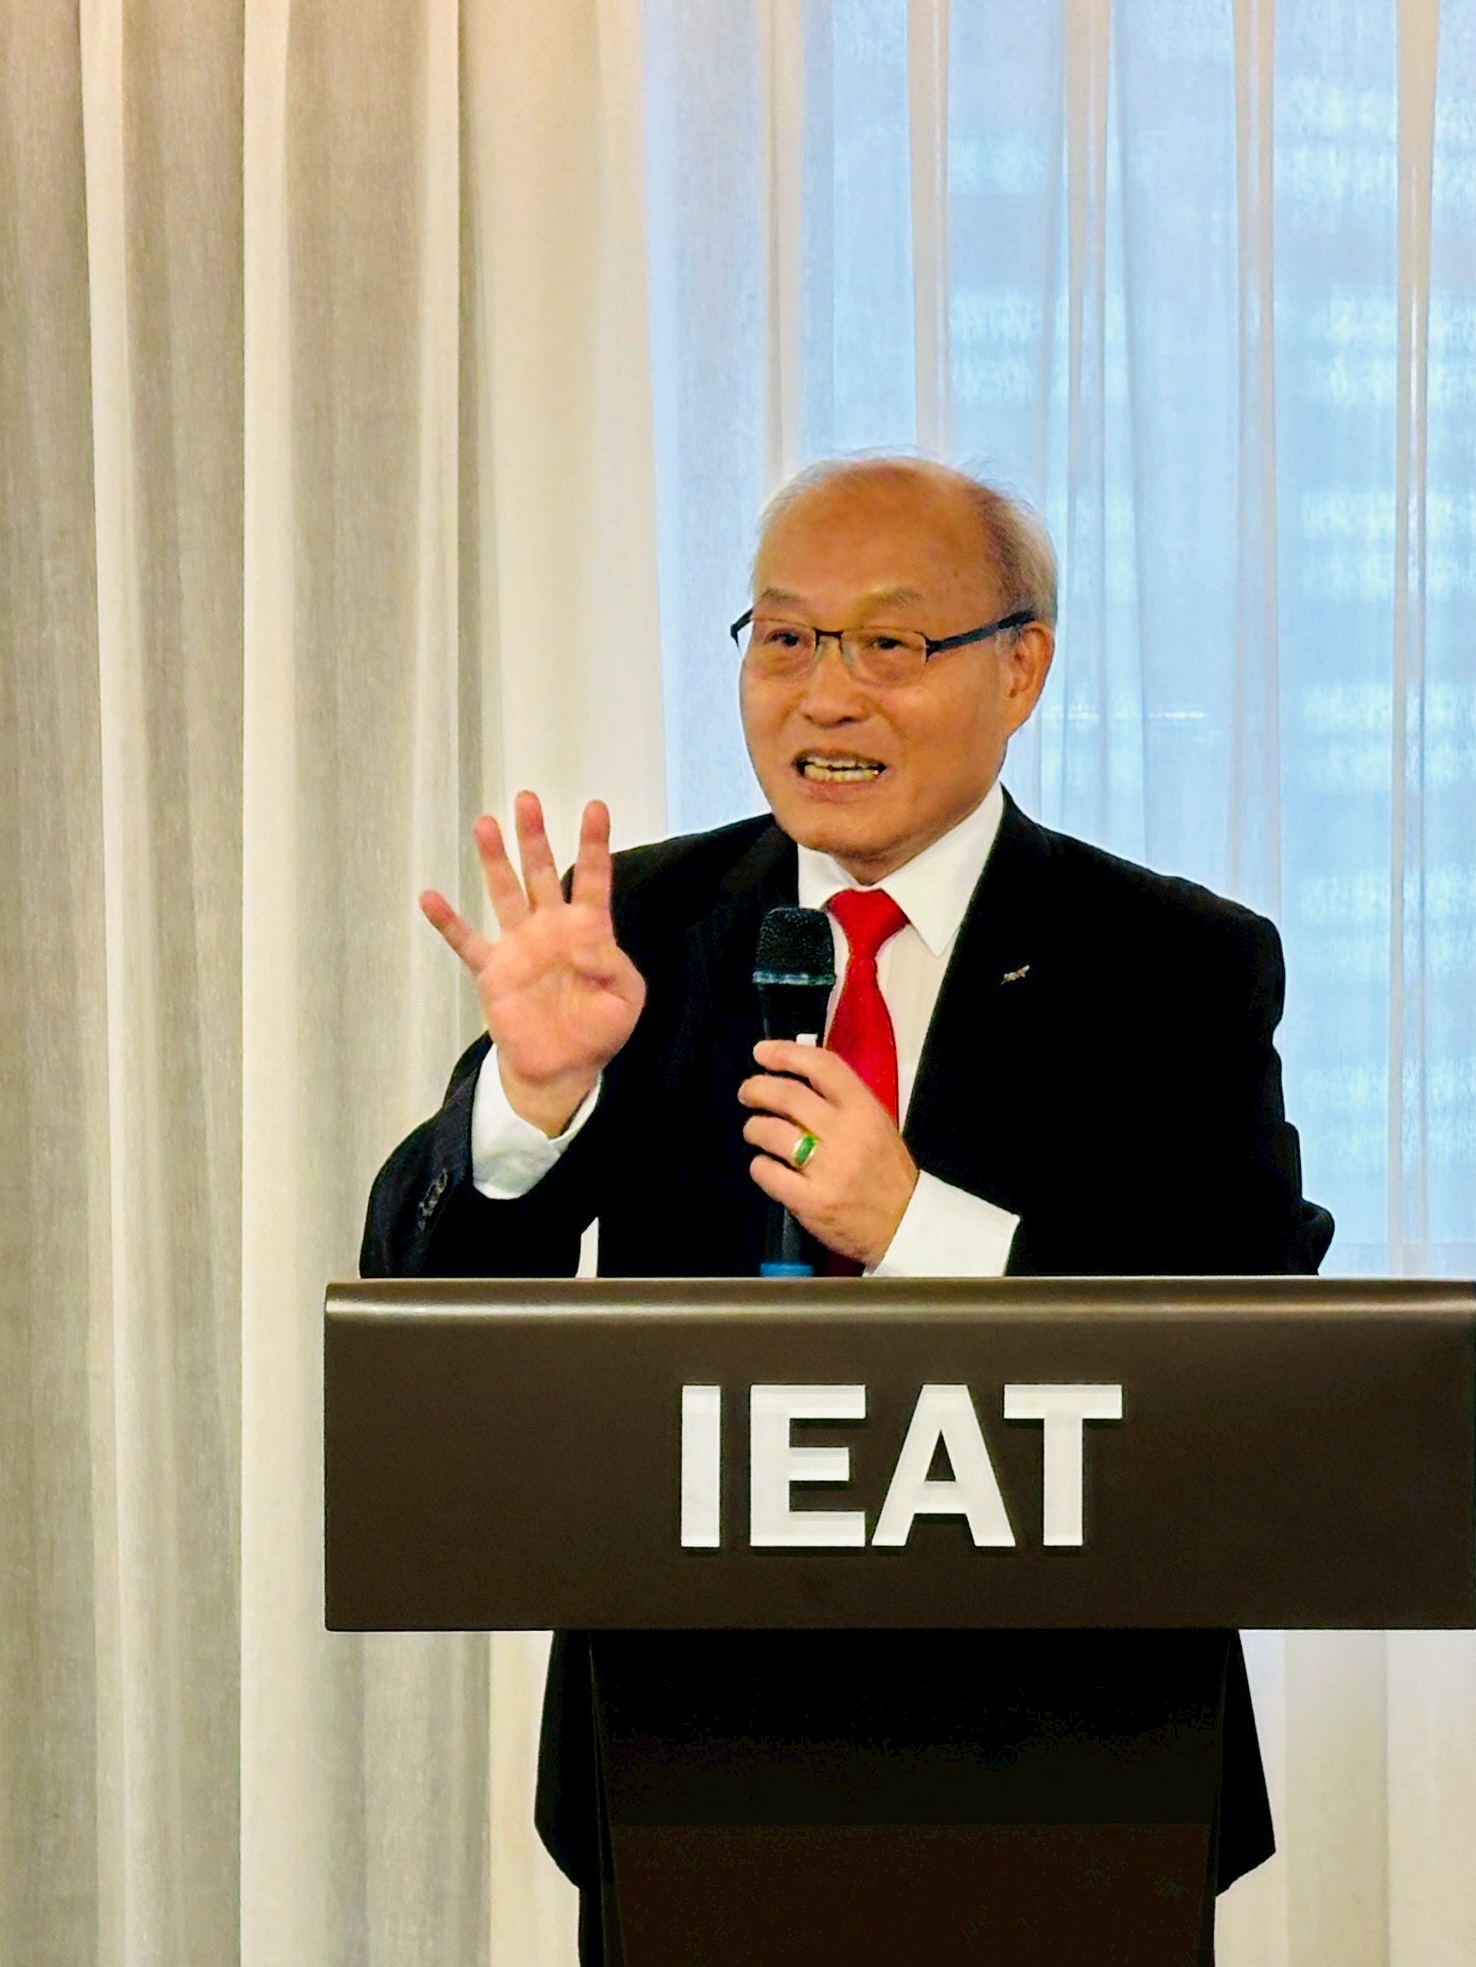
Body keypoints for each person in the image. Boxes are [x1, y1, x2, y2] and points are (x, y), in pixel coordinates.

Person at [362, 455, 1333, 1958]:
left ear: (1022, 671)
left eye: (890, 643)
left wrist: (916, 1227)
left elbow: (1254, 1342)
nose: (827, 695)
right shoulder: (639, 933)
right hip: (685, 1764)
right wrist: (529, 1103)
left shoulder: (1172, 961)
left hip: (1078, 1771)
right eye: (786, 638)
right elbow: (424, 1321)